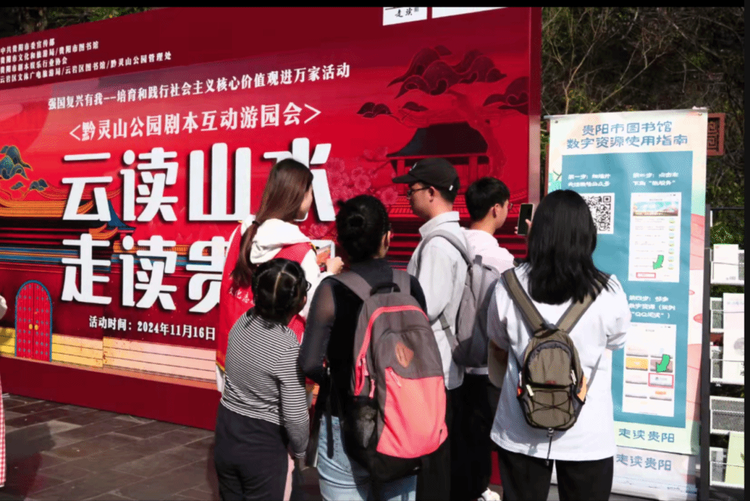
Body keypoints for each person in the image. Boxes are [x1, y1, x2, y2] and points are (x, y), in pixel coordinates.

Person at [486, 190, 631, 501]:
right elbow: (617, 341)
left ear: (536, 232)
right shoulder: (609, 291)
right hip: (588, 431)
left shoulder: (507, 285)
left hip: (520, 426)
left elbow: (497, 344)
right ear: (587, 235)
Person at [299, 195, 428, 501]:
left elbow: (308, 363)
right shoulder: (410, 286)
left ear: (341, 242)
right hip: (401, 421)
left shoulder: (331, 290)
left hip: (344, 419)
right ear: (387, 237)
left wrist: (339, 381)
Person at [217, 158, 344, 392]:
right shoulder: (300, 251)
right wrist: (329, 275)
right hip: (277, 370)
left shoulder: (241, 233)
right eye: (310, 192)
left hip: (235, 357)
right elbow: (312, 309)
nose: (312, 199)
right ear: (298, 195)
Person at [391, 158, 467, 501]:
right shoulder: (450, 237)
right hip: (442, 365)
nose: (408, 195)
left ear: (432, 192)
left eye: (413, 189)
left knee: (432, 460)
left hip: (433, 368)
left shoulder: (437, 245)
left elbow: (424, 309)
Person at [214, 258, 310, 501]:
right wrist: (300, 450)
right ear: (298, 303)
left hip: (226, 434)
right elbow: (296, 415)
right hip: (262, 447)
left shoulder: (243, 321)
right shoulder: (287, 346)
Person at [457, 177, 516, 501]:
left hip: (445, 365)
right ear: (497, 208)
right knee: (481, 441)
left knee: (454, 440)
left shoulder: (449, 246)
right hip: (485, 368)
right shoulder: (503, 261)